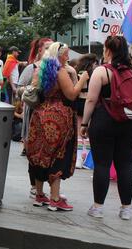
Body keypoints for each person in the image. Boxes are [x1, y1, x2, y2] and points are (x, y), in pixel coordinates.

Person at [81, 36, 132, 220]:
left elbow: (91, 99)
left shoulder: (102, 71)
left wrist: (85, 123)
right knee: (125, 165)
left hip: (104, 121)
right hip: (128, 124)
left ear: (108, 50)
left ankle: (98, 207)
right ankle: (126, 209)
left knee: (102, 165)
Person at [27, 42, 89, 211]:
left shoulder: (41, 70)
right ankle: (55, 198)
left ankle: (39, 195)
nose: (68, 57)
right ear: (59, 55)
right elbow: (71, 94)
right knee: (58, 155)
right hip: (58, 117)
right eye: (66, 54)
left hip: (40, 114)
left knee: (40, 154)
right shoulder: (60, 71)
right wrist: (83, 78)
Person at [17, 37, 53, 198]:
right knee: (34, 151)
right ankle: (34, 186)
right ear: (39, 50)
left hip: (51, 115)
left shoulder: (57, 69)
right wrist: (32, 89)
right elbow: (19, 89)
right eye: (46, 47)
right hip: (33, 112)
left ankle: (53, 188)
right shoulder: (31, 68)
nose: (50, 50)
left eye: (52, 47)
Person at [74, 54, 99, 169]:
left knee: (79, 130)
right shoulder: (95, 73)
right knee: (88, 132)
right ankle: (87, 159)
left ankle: (78, 158)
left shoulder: (77, 72)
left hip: (79, 102)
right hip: (90, 103)